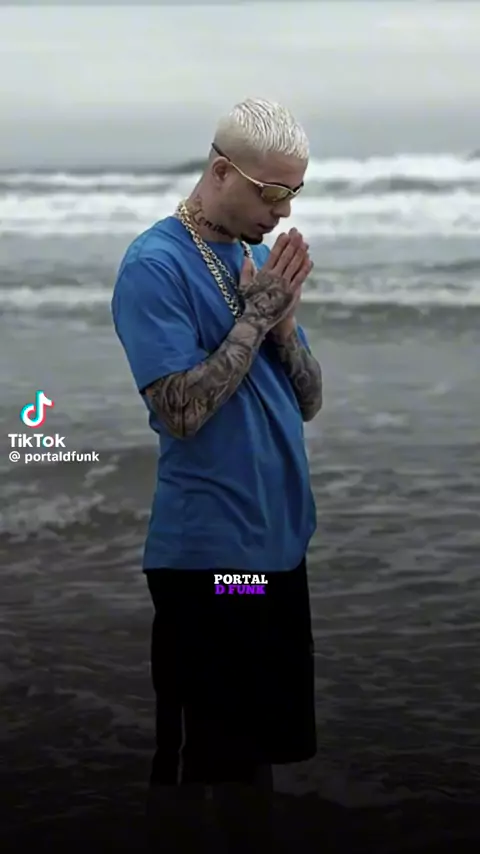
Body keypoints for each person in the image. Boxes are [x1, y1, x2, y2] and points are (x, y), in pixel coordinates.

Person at [111, 97, 323, 851]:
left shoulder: (249, 259)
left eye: (295, 192)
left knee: (255, 749)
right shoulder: (155, 265)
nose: (284, 210)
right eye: (272, 191)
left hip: (275, 552)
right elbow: (181, 411)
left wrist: (282, 325)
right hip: (210, 560)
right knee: (200, 759)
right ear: (222, 172)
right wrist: (255, 319)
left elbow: (309, 401)